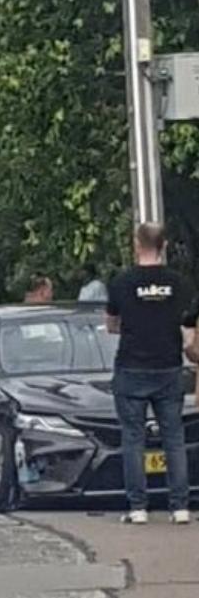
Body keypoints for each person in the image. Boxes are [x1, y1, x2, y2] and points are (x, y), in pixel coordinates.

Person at [107, 222, 193, 525]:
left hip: (131, 367)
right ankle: (180, 507)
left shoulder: (121, 282)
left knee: (133, 439)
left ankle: (138, 508)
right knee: (173, 437)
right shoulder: (179, 283)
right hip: (168, 367)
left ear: (135, 244)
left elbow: (111, 324)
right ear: (164, 245)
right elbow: (188, 324)